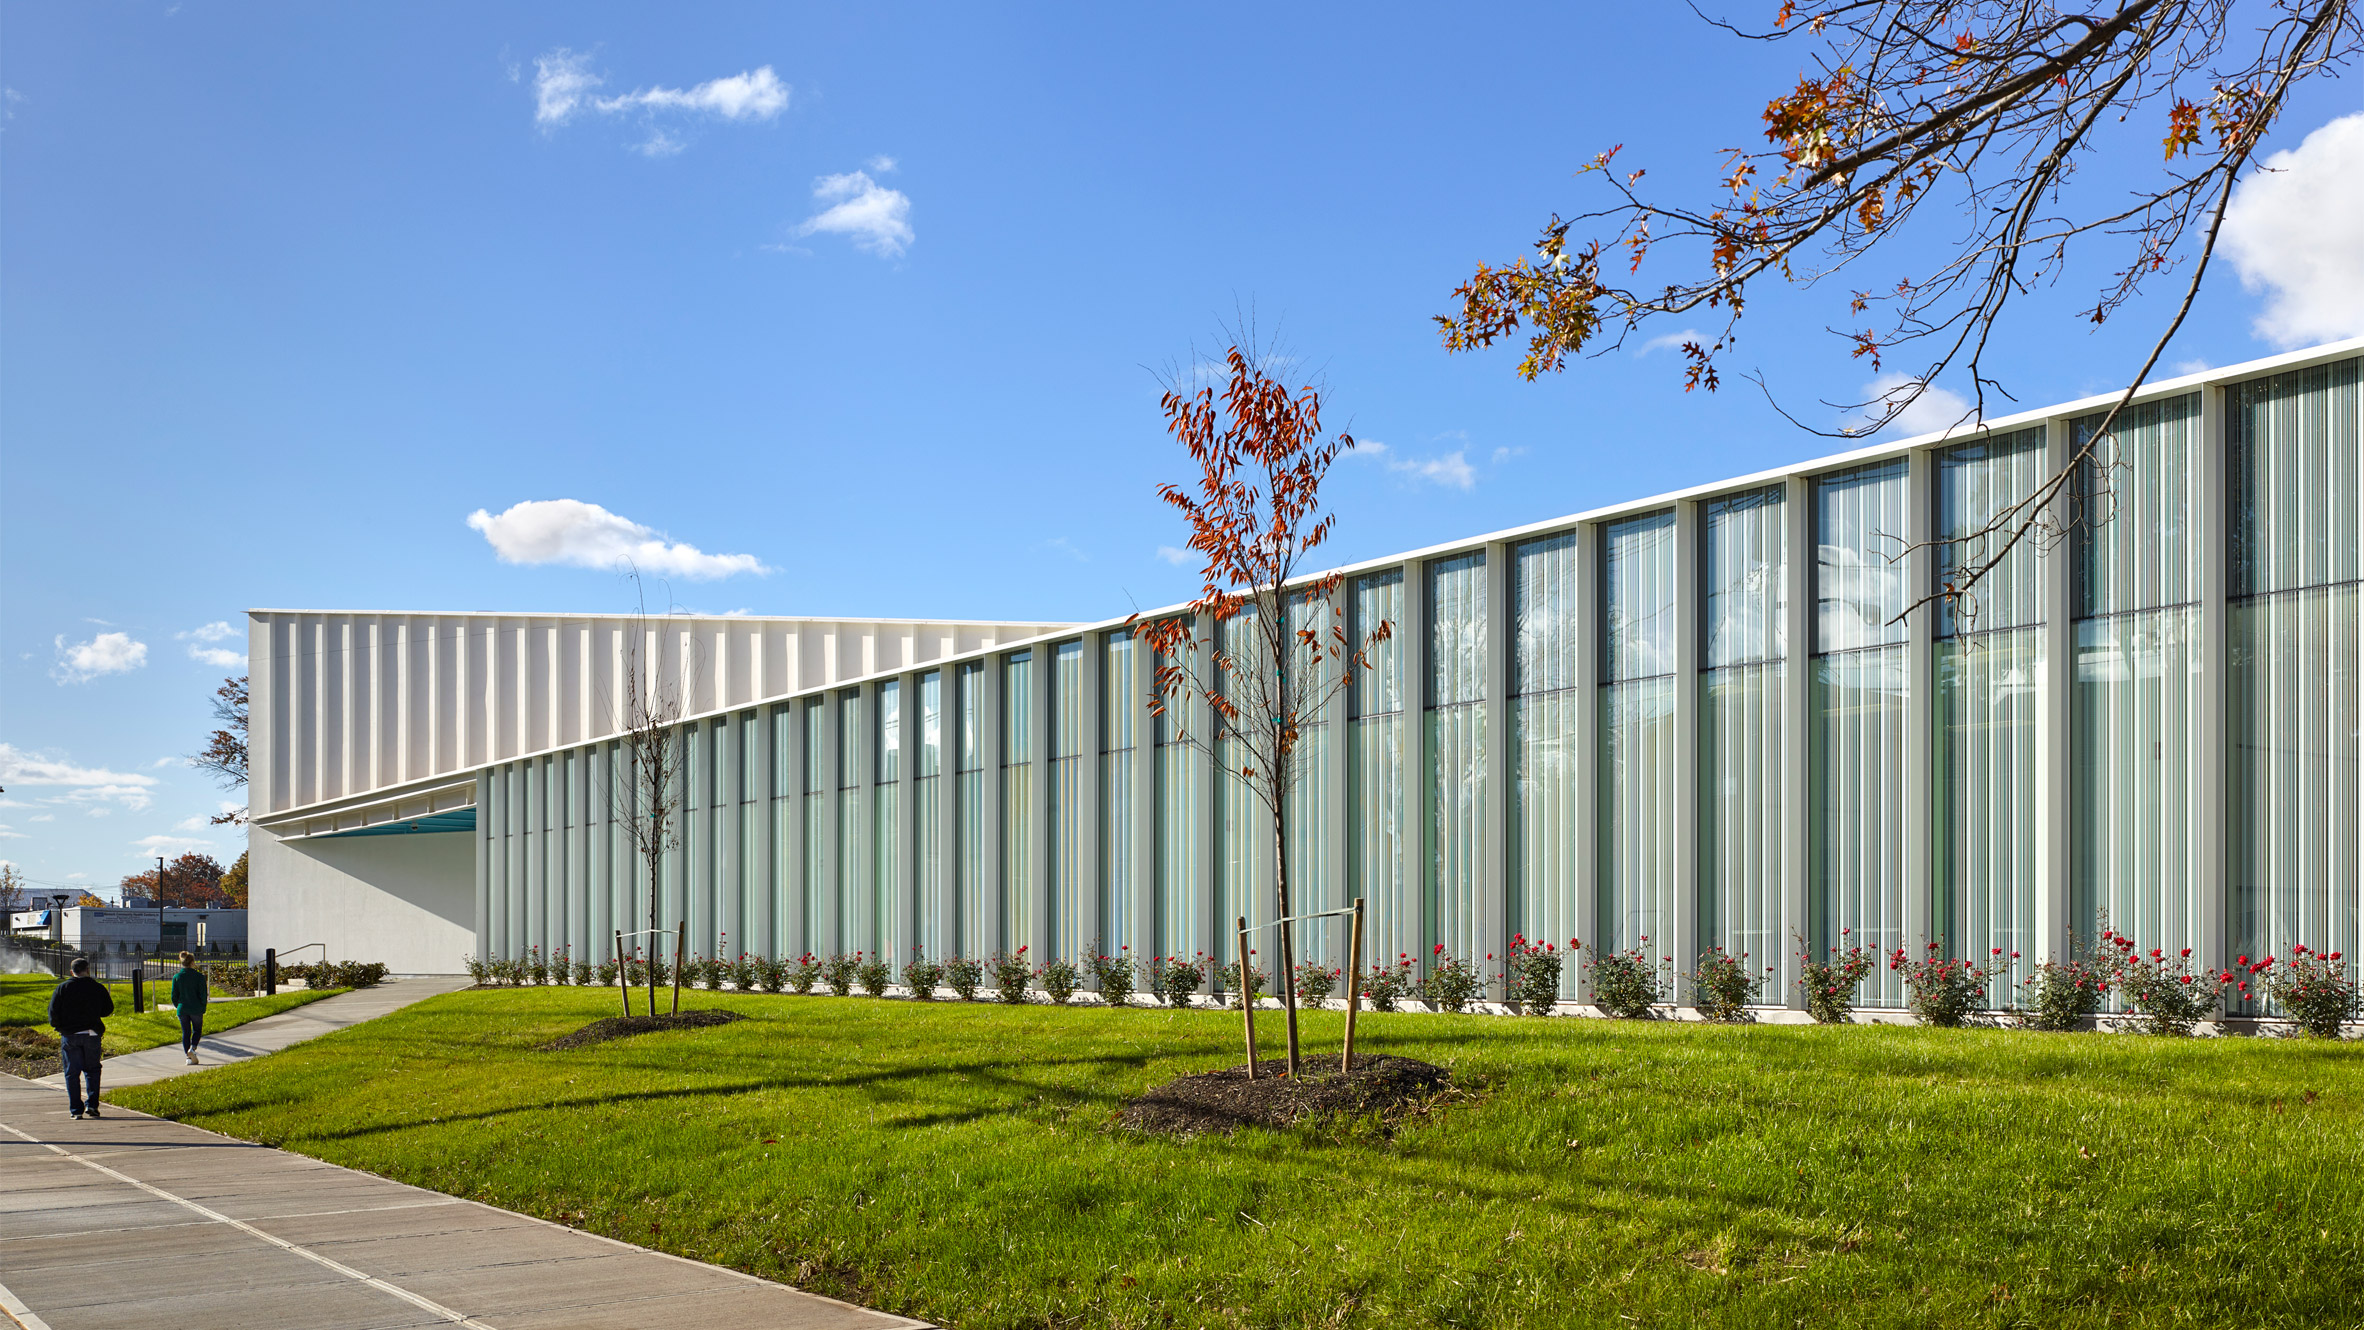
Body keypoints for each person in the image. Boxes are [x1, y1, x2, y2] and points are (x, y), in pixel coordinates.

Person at [47, 957, 114, 1120]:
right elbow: (108, 1009)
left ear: (72, 972)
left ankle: (76, 1109)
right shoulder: (97, 988)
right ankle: (92, 1105)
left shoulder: (62, 988)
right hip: (91, 1034)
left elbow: (53, 1014)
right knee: (92, 1070)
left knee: (71, 1073)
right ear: (88, 970)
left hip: (70, 1035)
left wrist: (60, 1028)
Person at [171, 950, 209, 1065]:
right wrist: (203, 1006)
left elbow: (174, 996)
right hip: (196, 1008)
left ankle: (188, 1058)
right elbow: (203, 994)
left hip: (182, 1008)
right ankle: (192, 1049)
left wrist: (178, 1006)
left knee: (185, 1032)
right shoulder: (199, 977)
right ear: (192, 962)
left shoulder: (177, 977)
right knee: (197, 1030)